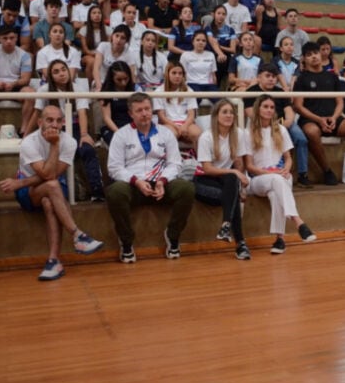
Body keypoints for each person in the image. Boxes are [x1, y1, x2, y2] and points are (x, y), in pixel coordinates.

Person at [0, 105, 104, 281]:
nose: (54, 124)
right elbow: (47, 175)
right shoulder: (29, 143)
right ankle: (77, 235)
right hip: (28, 192)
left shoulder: (69, 142)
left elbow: (52, 174)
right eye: (49, 120)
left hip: (38, 184)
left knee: (50, 199)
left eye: (58, 120)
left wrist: (20, 182)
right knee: (53, 186)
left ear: (63, 122)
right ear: (40, 122)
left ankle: (54, 261)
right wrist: (54, 146)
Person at [106, 92, 196, 263]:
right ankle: (126, 241)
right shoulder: (121, 135)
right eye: (139, 110)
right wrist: (136, 181)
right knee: (115, 192)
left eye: (147, 109)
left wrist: (163, 181)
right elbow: (114, 167)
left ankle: (173, 236)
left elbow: (176, 164)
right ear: (131, 114)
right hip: (134, 185)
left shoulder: (165, 133)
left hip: (160, 185)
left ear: (152, 111)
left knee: (186, 188)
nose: (144, 113)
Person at [244, 95, 317, 255]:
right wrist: (272, 172)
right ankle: (298, 221)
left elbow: (288, 158)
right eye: (266, 107)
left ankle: (280, 239)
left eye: (272, 107)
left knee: (276, 191)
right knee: (277, 180)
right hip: (258, 179)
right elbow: (249, 166)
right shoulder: (248, 133)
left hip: (280, 175)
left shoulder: (281, 129)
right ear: (258, 109)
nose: (269, 110)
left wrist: (286, 169)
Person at [293, 42, 345, 186]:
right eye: (309, 55)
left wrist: (334, 118)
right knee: (311, 131)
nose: (313, 57)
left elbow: (340, 102)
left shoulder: (333, 77)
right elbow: (298, 106)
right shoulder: (301, 79)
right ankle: (327, 171)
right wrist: (319, 119)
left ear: (320, 54)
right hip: (312, 119)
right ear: (304, 59)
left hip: (333, 119)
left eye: (315, 53)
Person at [31, 60, 105, 202]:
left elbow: (82, 112)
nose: (61, 74)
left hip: (76, 128)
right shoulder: (44, 90)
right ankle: (61, 193)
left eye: (63, 69)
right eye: (56, 71)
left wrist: (84, 134)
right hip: (52, 128)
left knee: (87, 149)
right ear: (51, 76)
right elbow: (37, 113)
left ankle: (97, 192)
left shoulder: (78, 89)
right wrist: (28, 134)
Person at [195, 99, 251, 259]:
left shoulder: (238, 134)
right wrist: (235, 174)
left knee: (232, 183)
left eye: (231, 112)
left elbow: (239, 163)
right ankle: (240, 244)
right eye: (224, 112)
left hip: (225, 180)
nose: (229, 115)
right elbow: (206, 168)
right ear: (216, 116)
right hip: (204, 180)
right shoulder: (206, 137)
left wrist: (241, 184)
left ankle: (226, 227)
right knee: (232, 192)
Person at [244, 62, 312, 188]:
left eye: (274, 77)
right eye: (268, 76)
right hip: (261, 124)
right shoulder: (250, 92)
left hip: (282, 123)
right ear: (259, 77)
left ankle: (302, 175)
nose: (271, 79)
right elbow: (250, 113)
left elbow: (289, 113)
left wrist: (281, 127)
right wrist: (270, 125)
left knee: (301, 138)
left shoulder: (280, 91)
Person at [0, 26, 35, 136]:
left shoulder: (25, 56)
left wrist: (14, 84)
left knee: (31, 93)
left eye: (11, 38)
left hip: (16, 86)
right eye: (5, 38)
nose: (9, 41)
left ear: (16, 38)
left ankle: (24, 129)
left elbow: (25, 78)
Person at [154, 62, 201, 145]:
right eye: (174, 73)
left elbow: (191, 114)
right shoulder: (159, 91)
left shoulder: (189, 90)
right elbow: (161, 117)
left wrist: (184, 126)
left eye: (180, 73)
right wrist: (176, 127)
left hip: (186, 123)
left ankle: (199, 157)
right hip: (168, 124)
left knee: (197, 134)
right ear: (167, 74)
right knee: (170, 135)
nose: (177, 76)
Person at [98, 61, 137, 145]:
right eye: (119, 80)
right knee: (119, 144)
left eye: (126, 79)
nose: (123, 82)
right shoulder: (106, 91)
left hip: (132, 126)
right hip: (113, 127)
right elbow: (107, 118)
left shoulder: (135, 89)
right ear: (112, 78)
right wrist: (119, 133)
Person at [93, 24, 138, 91]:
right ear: (112, 36)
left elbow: (132, 75)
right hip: (102, 81)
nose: (118, 40)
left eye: (123, 38)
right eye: (117, 36)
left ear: (127, 41)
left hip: (120, 85)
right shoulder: (103, 46)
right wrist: (99, 87)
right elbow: (96, 69)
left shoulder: (129, 54)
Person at [180, 29, 218, 103]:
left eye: (203, 41)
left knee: (219, 100)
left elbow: (213, 75)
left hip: (208, 85)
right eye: (198, 40)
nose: (201, 42)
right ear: (193, 41)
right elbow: (182, 74)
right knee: (196, 99)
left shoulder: (211, 55)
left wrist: (214, 87)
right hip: (192, 83)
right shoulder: (185, 55)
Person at [76, 4, 111, 85]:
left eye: (99, 13)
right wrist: (96, 54)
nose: (97, 15)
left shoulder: (108, 30)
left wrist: (100, 55)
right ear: (89, 16)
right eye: (94, 13)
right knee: (92, 61)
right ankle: (91, 85)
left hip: (103, 55)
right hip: (88, 55)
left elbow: (108, 47)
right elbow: (85, 50)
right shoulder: (84, 30)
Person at [206, 5, 238, 87]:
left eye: (223, 14)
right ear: (214, 14)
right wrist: (220, 53)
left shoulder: (230, 30)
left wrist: (220, 47)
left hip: (226, 56)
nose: (221, 16)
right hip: (212, 55)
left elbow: (233, 49)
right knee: (219, 60)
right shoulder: (208, 28)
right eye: (219, 13)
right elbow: (212, 42)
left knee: (229, 60)